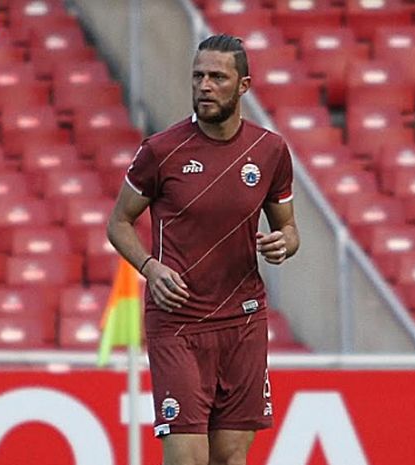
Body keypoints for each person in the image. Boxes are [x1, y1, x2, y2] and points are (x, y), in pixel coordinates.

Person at [107, 34, 299, 465]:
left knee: (231, 457)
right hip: (178, 319)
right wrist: (150, 268)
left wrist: (282, 243)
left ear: (243, 86)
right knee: (188, 457)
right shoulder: (161, 151)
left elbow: (289, 229)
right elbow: (118, 223)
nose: (204, 86)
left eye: (217, 77)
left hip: (242, 319)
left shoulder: (269, 152)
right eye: (198, 76)